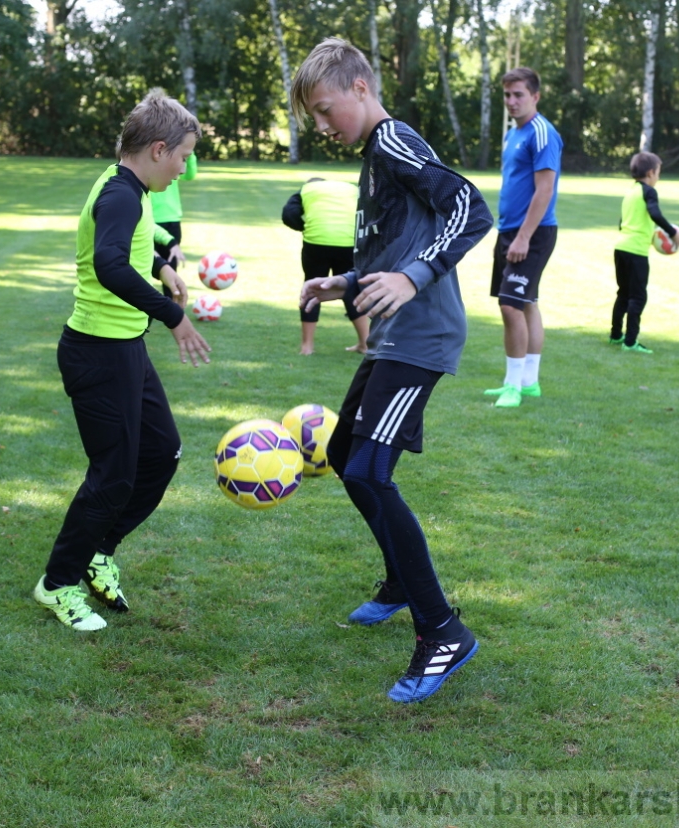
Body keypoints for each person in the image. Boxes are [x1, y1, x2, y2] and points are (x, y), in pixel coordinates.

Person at [292, 38, 493, 703]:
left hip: (421, 335)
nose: (323, 127)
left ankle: (442, 630)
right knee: (348, 454)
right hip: (391, 334)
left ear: (358, 87)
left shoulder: (394, 138)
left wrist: (411, 280)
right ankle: (400, 583)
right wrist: (344, 281)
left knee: (369, 474)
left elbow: (471, 208)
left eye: (325, 110)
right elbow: (397, 240)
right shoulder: (377, 155)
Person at [34, 89, 212, 632]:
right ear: (158, 149)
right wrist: (172, 314)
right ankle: (57, 583)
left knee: (162, 453)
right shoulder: (120, 195)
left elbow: (123, 245)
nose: (183, 169)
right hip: (97, 353)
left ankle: (99, 550)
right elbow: (109, 263)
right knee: (112, 476)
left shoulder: (128, 189)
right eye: (182, 156)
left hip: (124, 348)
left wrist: (161, 265)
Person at [483, 67, 563, 409]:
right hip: (510, 231)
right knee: (526, 302)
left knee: (510, 305)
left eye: (519, 95)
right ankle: (529, 383)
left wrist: (523, 238)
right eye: (507, 95)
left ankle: (513, 386)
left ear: (535, 96)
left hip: (532, 233)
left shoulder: (542, 133)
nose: (511, 101)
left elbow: (544, 190)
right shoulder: (512, 134)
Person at [281, 177, 370, 355]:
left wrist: (304, 227)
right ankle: (365, 344)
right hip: (348, 242)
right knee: (351, 289)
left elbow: (289, 215)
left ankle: (307, 347)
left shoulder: (306, 190)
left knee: (312, 288)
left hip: (316, 241)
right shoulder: (351, 189)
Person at [611, 151, 679, 354]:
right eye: (659, 173)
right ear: (651, 173)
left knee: (623, 294)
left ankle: (616, 335)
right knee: (638, 297)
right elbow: (655, 213)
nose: (658, 177)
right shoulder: (648, 191)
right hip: (636, 252)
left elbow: (623, 222)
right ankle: (631, 341)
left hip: (621, 248)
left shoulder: (630, 192)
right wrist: (672, 233)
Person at [152, 150, 196, 270]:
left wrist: (189, 153)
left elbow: (189, 175)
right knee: (149, 268)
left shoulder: (172, 160)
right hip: (152, 220)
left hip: (172, 219)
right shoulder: (149, 165)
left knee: (170, 268)